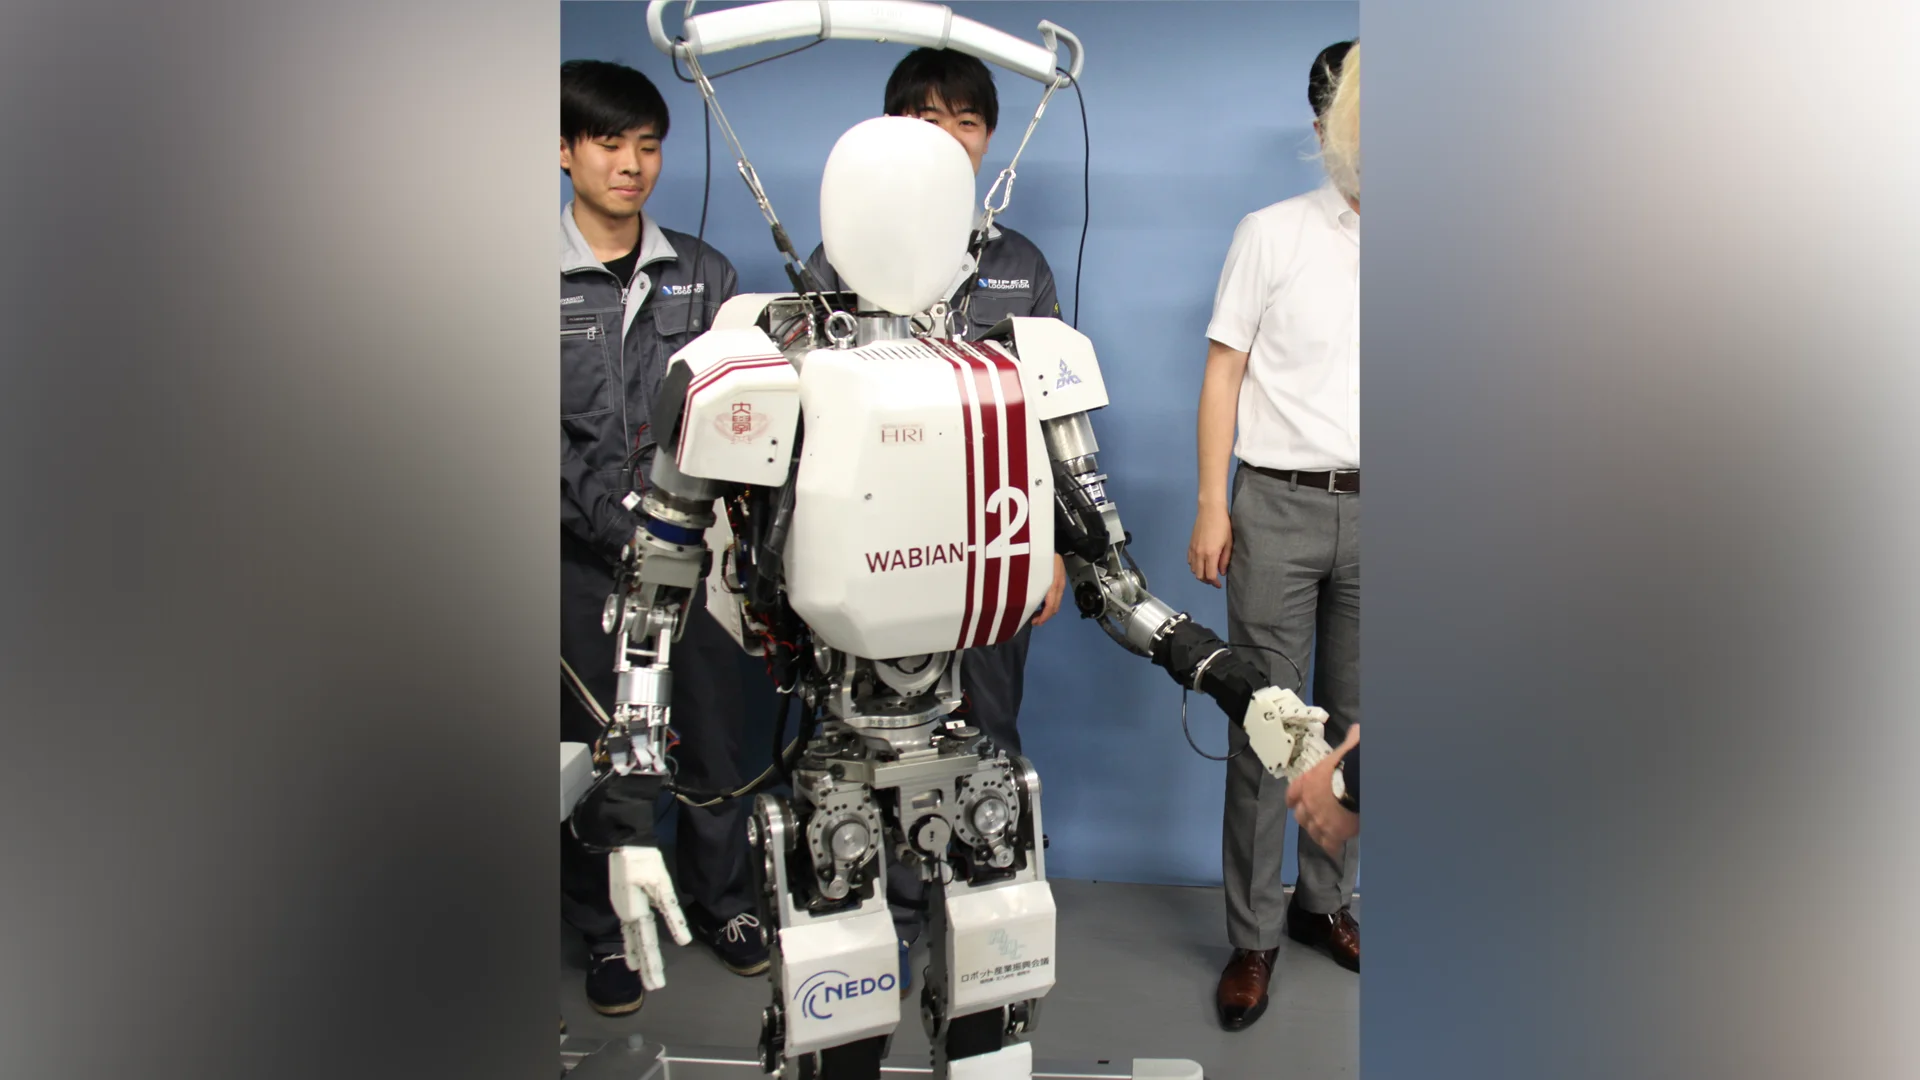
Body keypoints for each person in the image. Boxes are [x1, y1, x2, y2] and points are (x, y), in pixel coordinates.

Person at [802, 46, 1068, 990]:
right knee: (864, 738)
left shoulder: (1019, 265)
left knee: (986, 727)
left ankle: (982, 907)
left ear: (990, 139)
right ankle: (876, 914)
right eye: (925, 118)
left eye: (966, 120)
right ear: (888, 134)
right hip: (873, 551)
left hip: (989, 548)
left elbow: (1045, 419)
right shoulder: (834, 262)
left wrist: (1051, 550)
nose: (946, 138)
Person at [558, 58, 767, 1017]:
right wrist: (614, 523)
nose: (630, 165)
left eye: (647, 146)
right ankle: (605, 935)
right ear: (565, 152)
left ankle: (727, 905)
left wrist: (694, 525)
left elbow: (742, 414)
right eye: (608, 143)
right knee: (603, 745)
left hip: (699, 551)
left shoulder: (707, 275)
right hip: (577, 560)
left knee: (717, 734)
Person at [1186, 39, 1361, 1033]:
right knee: (1270, 726)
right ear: (1320, 129)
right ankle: (1251, 937)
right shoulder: (1271, 233)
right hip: (1277, 506)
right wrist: (1214, 504)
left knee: (1353, 729)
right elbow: (1224, 372)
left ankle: (1322, 904)